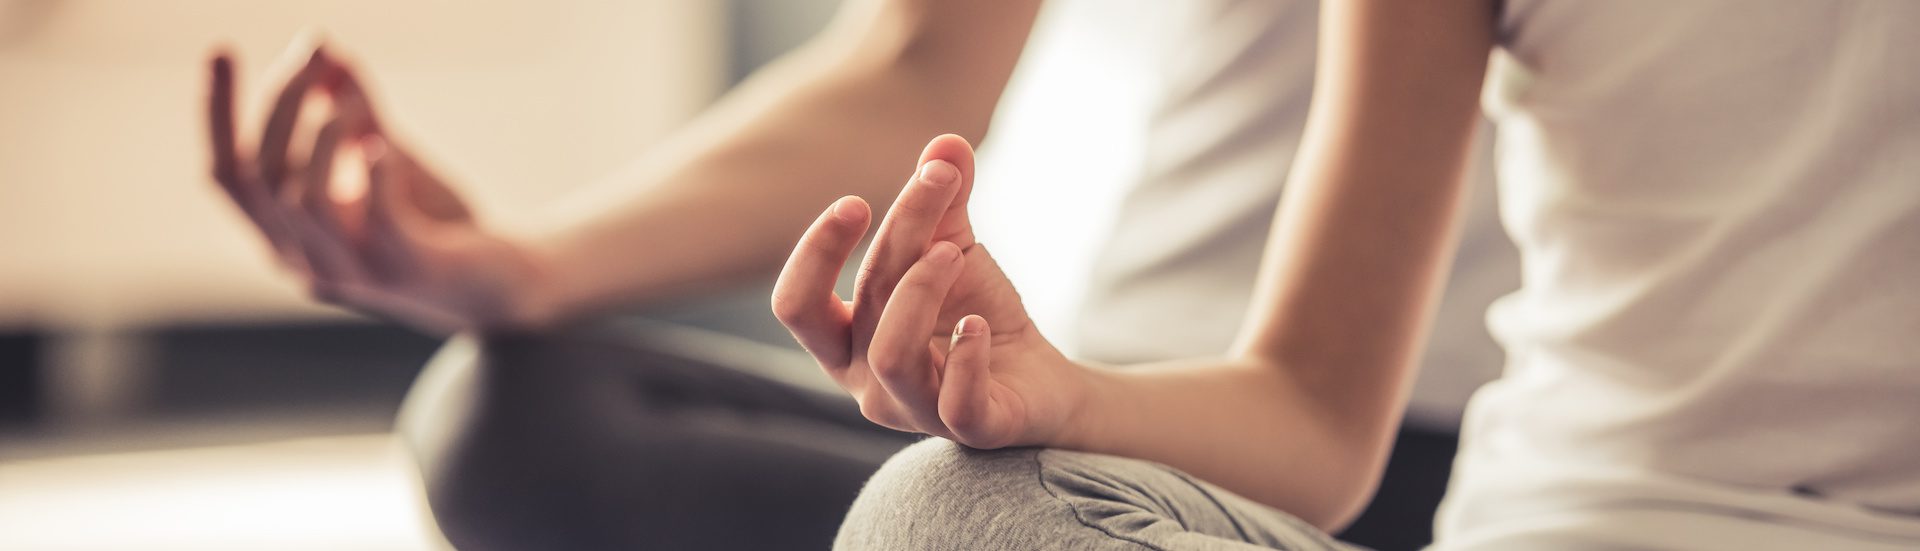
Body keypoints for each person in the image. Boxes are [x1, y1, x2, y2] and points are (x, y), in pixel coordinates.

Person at [202, 1, 1920, 550]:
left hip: (1418, 444)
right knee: (534, 408)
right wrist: (505, 267)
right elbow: (918, 68)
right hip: (1179, 422)